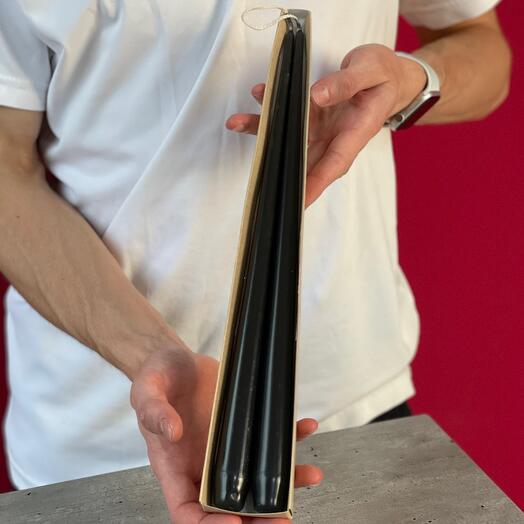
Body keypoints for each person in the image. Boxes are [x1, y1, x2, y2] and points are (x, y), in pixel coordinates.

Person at [0, 1, 511, 522]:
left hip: (355, 399)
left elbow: (482, 47)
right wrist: (150, 353)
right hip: (101, 432)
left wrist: (410, 82)